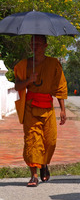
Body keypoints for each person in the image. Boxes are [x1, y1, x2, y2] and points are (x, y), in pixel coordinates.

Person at [14, 35, 68, 187]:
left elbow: (60, 86)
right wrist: (28, 81)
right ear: (30, 46)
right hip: (31, 107)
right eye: (33, 43)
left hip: (48, 107)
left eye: (39, 43)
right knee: (32, 140)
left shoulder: (53, 63)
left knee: (50, 141)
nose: (35, 46)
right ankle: (34, 175)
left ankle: (44, 163)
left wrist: (63, 110)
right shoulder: (24, 65)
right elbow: (18, 86)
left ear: (45, 45)